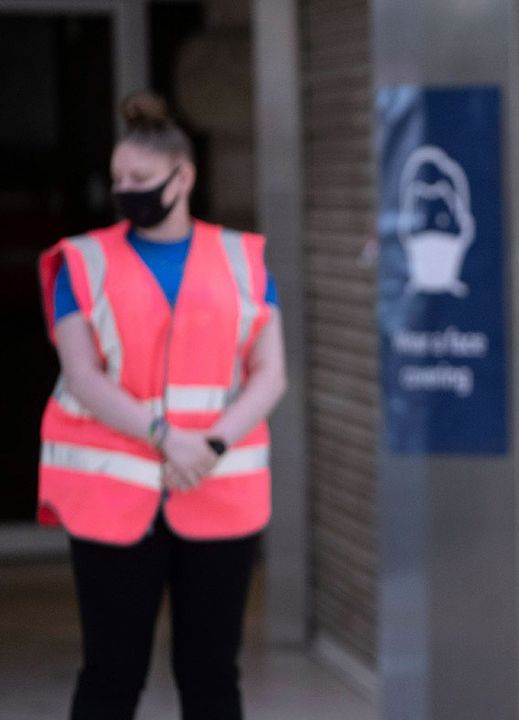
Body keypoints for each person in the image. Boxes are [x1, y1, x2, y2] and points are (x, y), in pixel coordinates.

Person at [36, 90, 286, 720]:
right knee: (111, 677)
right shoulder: (84, 262)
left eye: (141, 179)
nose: (127, 190)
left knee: (210, 677)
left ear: (184, 177)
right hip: (113, 499)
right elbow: (83, 376)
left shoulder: (243, 260)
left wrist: (212, 444)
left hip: (219, 490)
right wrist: (164, 437)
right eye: (119, 179)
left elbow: (270, 373)